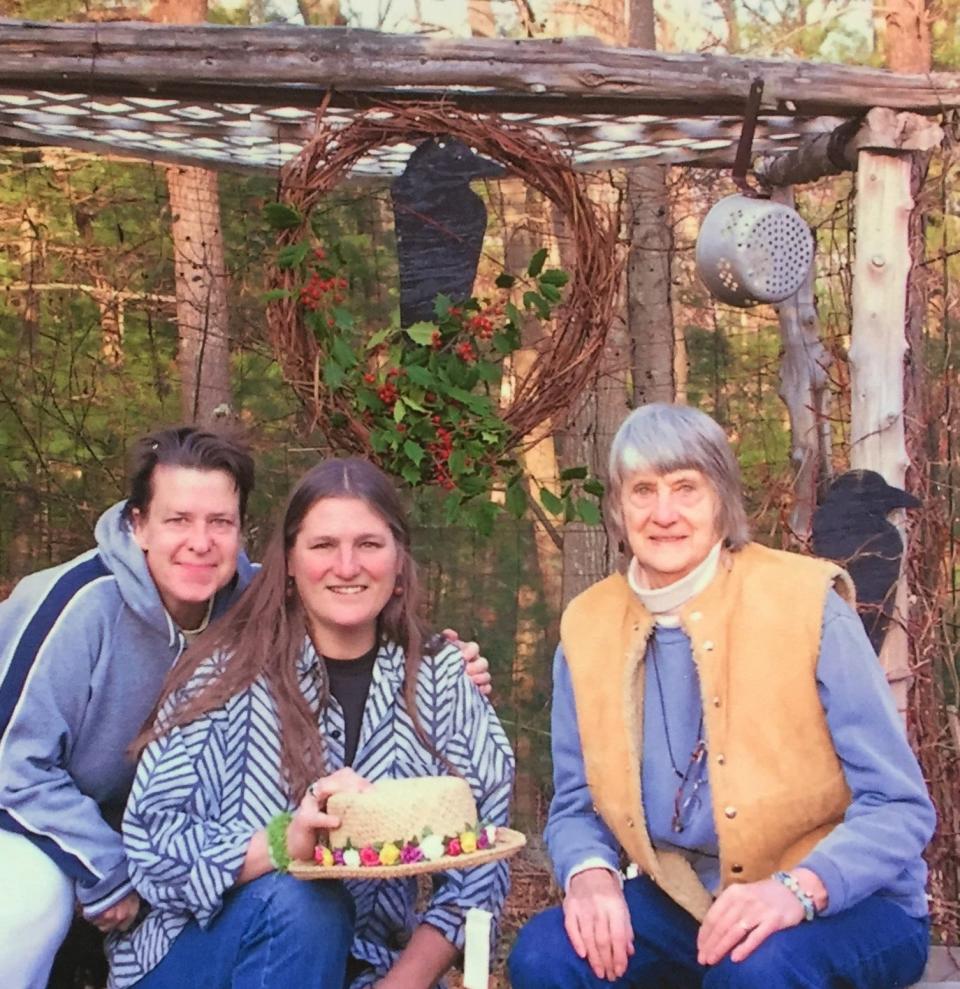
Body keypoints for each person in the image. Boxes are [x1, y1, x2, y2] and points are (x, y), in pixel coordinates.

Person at [0, 429, 489, 989]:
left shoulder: (253, 605)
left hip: (345, 945)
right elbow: (14, 766)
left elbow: (482, 858)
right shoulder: (84, 610)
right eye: (178, 520)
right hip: (41, 829)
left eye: (220, 523)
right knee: (26, 903)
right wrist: (106, 872)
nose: (200, 542)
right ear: (137, 524)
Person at [508, 402, 935, 989]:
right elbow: (579, 804)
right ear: (617, 506)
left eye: (687, 487)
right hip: (688, 900)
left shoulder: (806, 606)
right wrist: (590, 874)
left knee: (754, 972)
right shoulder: (587, 629)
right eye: (643, 490)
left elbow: (900, 806)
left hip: (848, 902)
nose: (664, 514)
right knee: (547, 955)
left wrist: (798, 890)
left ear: (722, 501)